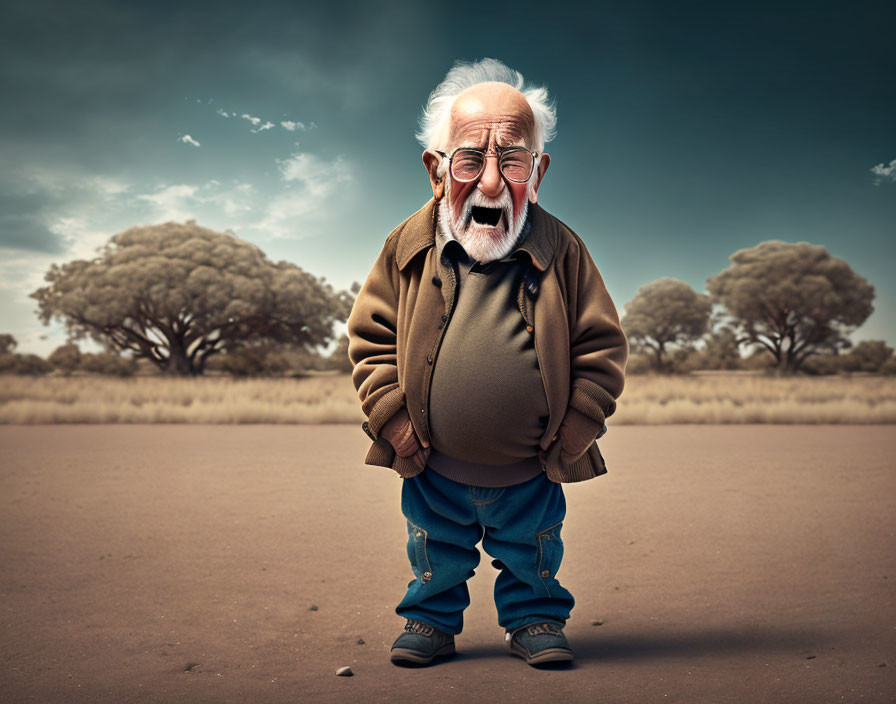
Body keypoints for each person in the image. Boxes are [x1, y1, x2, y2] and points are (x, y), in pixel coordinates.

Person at [346, 58, 628, 667]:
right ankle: (429, 623)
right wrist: (392, 418)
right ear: (435, 169)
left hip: (533, 470)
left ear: (539, 170)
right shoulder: (406, 246)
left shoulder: (564, 250)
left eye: (514, 160)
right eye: (471, 160)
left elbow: (601, 349)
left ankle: (534, 621)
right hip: (432, 466)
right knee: (433, 551)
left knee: (534, 552)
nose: (493, 184)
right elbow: (370, 340)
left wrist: (578, 428)